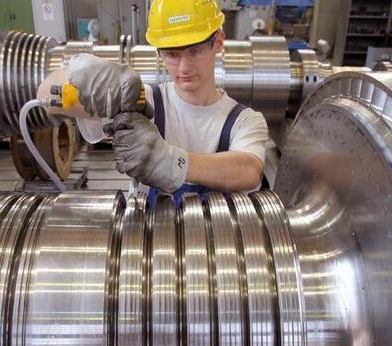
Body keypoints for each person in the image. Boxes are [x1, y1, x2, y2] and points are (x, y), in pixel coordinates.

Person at [45, 0, 268, 207]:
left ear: (218, 41)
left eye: (195, 51)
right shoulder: (143, 103)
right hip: (153, 245)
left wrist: (171, 162)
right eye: (172, 54)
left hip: (216, 246)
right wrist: (87, 76)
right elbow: (46, 98)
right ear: (160, 54)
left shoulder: (245, 120)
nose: (184, 68)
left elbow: (249, 171)